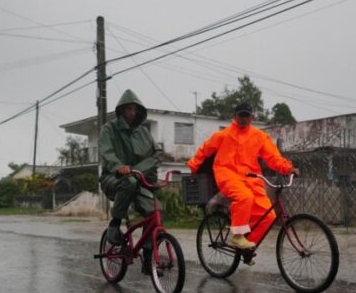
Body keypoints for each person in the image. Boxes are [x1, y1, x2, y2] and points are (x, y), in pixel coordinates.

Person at [187, 103, 300, 250]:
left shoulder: (259, 136)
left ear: (252, 117)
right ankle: (237, 236)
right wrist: (193, 166)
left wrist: (288, 168)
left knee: (268, 216)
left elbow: (273, 157)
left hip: (252, 178)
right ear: (234, 117)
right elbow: (205, 150)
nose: (243, 119)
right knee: (244, 197)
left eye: (246, 115)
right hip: (227, 174)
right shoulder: (223, 135)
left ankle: (247, 248)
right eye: (241, 115)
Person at [99, 89, 163, 273]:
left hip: (138, 179)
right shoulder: (108, 129)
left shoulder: (143, 132)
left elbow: (157, 153)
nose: (132, 113)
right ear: (121, 111)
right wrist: (118, 166)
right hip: (113, 179)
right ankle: (115, 223)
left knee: (155, 212)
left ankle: (149, 260)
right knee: (129, 182)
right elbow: (106, 151)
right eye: (128, 109)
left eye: (135, 109)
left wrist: (138, 170)